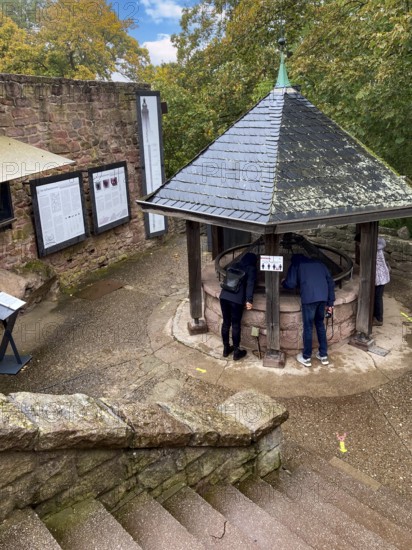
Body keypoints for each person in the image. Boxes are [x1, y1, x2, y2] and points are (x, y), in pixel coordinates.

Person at [282, 254, 335, 367]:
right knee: (320, 325)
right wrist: (330, 302)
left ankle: (306, 357)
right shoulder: (320, 264)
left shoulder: (297, 264)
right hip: (323, 298)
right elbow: (330, 282)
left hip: (309, 299)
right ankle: (323, 355)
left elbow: (290, 283)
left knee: (308, 328)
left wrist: (283, 282)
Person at [219, 252, 257, 361]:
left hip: (224, 296)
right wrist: (249, 300)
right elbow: (250, 284)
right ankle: (236, 351)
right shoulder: (251, 268)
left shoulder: (234, 265)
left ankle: (226, 349)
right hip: (236, 300)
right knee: (235, 325)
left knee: (226, 322)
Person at [373, 237, 390, 326]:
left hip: (381, 278)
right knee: (377, 297)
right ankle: (376, 316)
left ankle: (379, 319)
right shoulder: (377, 248)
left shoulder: (375, 251)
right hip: (381, 277)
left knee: (377, 298)